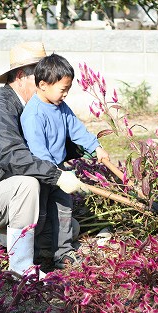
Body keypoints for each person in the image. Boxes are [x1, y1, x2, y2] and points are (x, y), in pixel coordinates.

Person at [0, 42, 88, 277]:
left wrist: (86, 148)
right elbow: (13, 156)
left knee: (69, 229)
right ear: (22, 76)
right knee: (28, 184)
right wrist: (56, 175)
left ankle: (4, 240)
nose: (47, 82)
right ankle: (21, 266)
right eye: (41, 75)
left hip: (5, 199)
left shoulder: (37, 105)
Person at [21, 53, 110, 268]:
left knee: (63, 210)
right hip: (41, 174)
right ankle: (33, 253)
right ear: (43, 85)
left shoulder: (61, 107)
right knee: (39, 215)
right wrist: (58, 175)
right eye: (63, 89)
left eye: (68, 89)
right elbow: (38, 153)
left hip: (59, 170)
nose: (66, 94)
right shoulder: (33, 115)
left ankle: (63, 252)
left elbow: (76, 128)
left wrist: (95, 147)